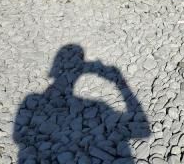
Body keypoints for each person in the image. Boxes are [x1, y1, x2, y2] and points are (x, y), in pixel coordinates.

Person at [14, 44, 150, 163]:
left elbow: (20, 138)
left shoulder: (31, 99)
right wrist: (119, 81)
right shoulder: (102, 107)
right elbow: (143, 130)